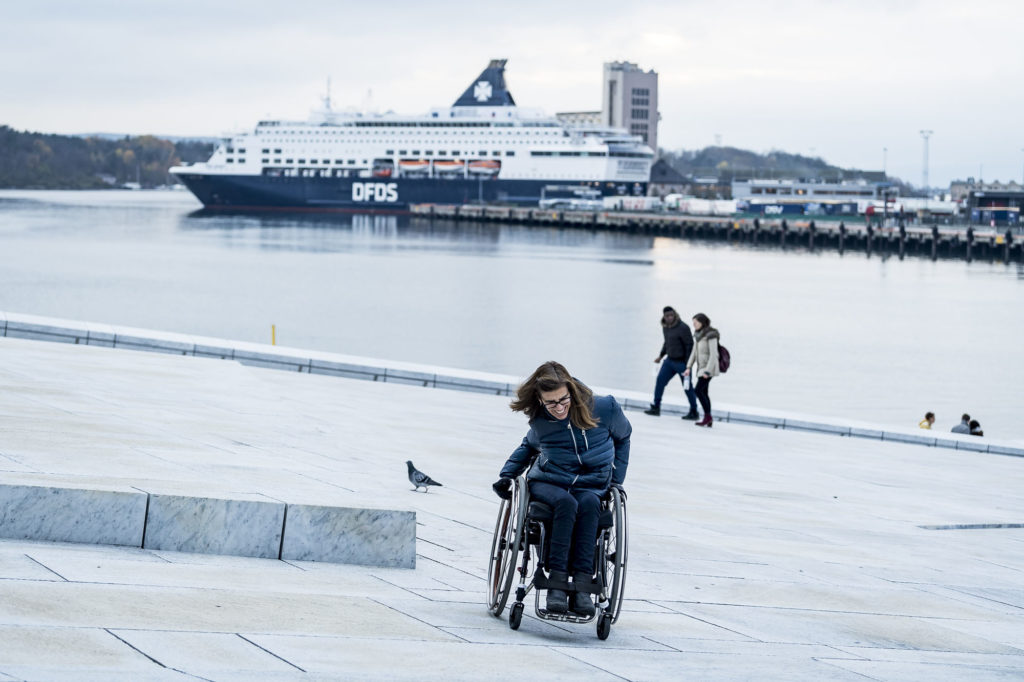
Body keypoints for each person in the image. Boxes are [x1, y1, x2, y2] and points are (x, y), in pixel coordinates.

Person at [492, 361, 631, 617]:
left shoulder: (604, 408)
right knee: (566, 504)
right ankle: (555, 583)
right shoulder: (541, 420)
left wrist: (616, 479)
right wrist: (507, 475)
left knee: (588, 504)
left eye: (563, 399)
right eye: (551, 403)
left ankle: (582, 586)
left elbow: (624, 437)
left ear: (572, 390)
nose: (559, 407)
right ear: (541, 400)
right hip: (550, 481)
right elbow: (528, 447)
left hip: (591, 483)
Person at [644, 306, 699, 420]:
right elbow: (667, 343)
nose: (669, 318)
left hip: (682, 364)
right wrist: (660, 356)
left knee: (687, 387)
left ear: (675, 314)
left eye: (671, 315)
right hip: (669, 362)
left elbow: (690, 346)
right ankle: (656, 407)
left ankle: (694, 411)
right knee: (660, 381)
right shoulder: (666, 327)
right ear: (664, 316)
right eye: (667, 316)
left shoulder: (683, 327)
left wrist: (688, 366)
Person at [683, 313, 720, 428]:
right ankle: (708, 418)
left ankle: (707, 416)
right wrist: (688, 367)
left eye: (695, 323)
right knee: (704, 392)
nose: (694, 325)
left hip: (708, 369)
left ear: (702, 322)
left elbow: (714, 355)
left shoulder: (711, 335)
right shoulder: (698, 335)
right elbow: (694, 352)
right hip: (700, 368)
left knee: (698, 390)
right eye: (693, 323)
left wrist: (707, 371)